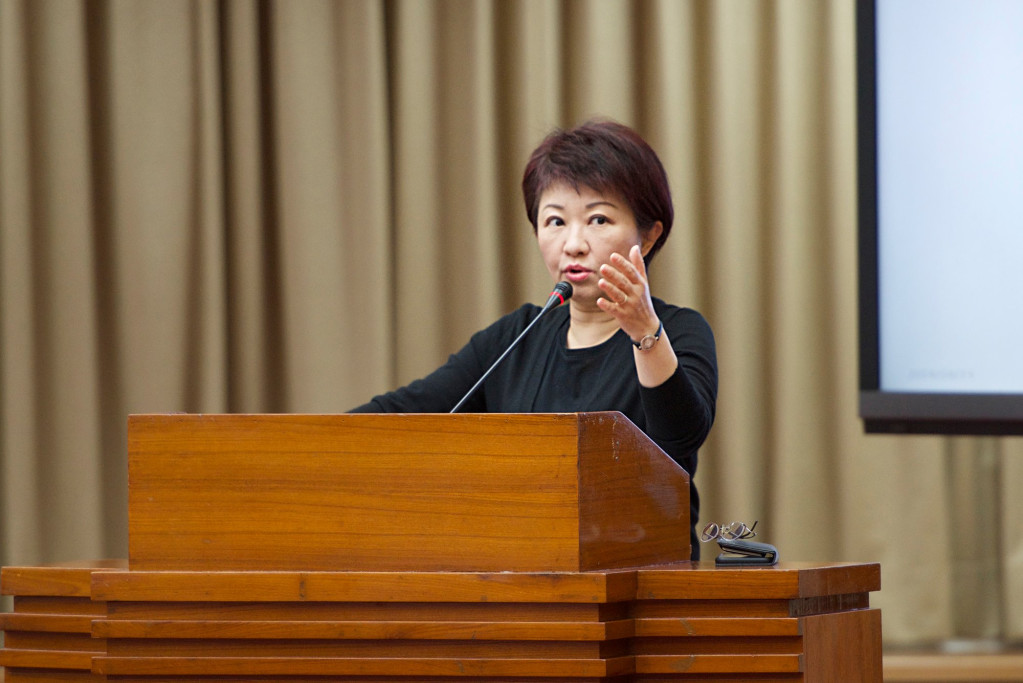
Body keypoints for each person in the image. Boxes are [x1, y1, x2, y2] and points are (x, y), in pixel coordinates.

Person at [351, 119, 718, 558]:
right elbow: (401, 413)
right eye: (555, 221)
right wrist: (308, 442)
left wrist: (644, 331)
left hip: (643, 584)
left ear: (649, 233)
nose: (574, 244)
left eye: (598, 219)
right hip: (523, 582)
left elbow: (679, 439)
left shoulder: (678, 331)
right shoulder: (515, 338)